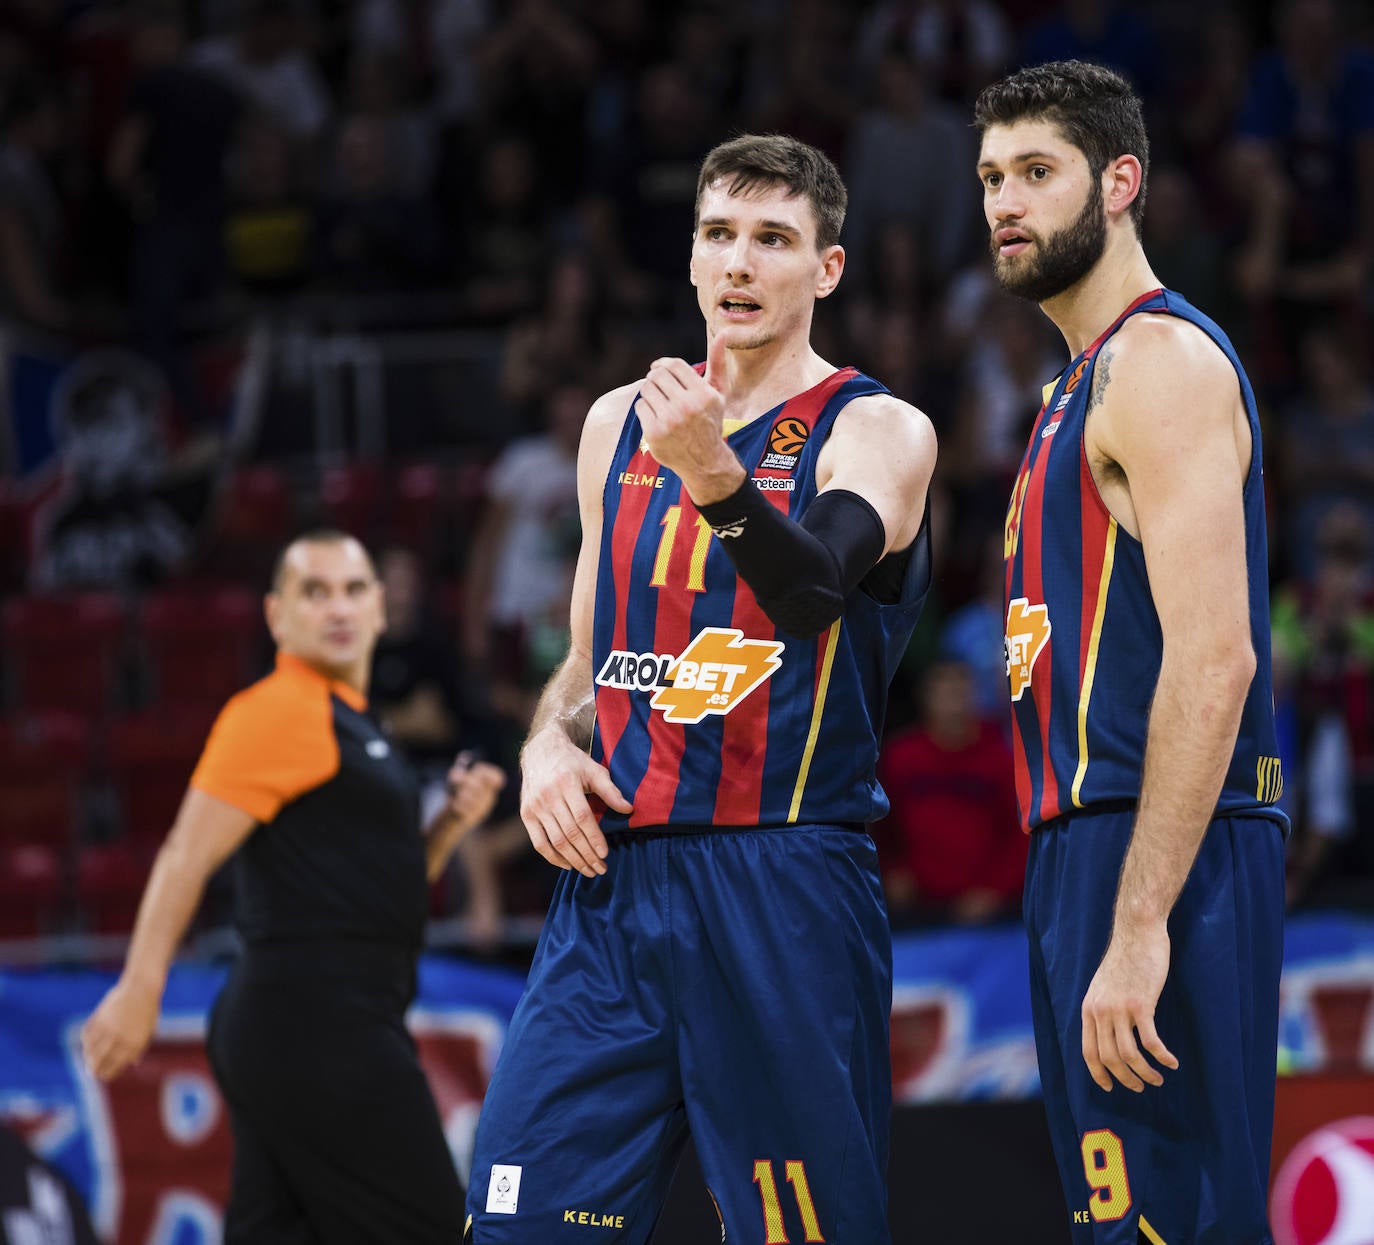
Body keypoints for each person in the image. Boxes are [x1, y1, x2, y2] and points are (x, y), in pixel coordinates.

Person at [465, 134, 936, 1244]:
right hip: (614, 892)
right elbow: (583, 660)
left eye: (773, 240)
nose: (740, 263)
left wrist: (716, 474)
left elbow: (814, 589)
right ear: (689, 258)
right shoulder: (610, 423)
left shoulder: (877, 429)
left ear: (826, 269)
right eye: (719, 235)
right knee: (520, 1223)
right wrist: (546, 746)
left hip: (783, 880)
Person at [975, 61, 1288, 1243]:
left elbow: (1218, 662)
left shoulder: (1158, 365)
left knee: (1172, 1225)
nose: (1006, 200)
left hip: (1158, 846)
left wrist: (1143, 918)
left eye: (1038, 173)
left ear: (1121, 183)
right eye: (993, 177)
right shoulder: (1076, 383)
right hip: (1090, 850)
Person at [80, 530, 506, 1244]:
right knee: (435, 1225)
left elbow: (377, 889)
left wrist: (449, 828)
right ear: (278, 616)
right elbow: (186, 852)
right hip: (316, 1022)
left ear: (379, 608)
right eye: (315, 590)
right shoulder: (276, 709)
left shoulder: (353, 722)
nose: (337, 606)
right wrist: (139, 986)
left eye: (353, 588)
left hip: (312, 1023)